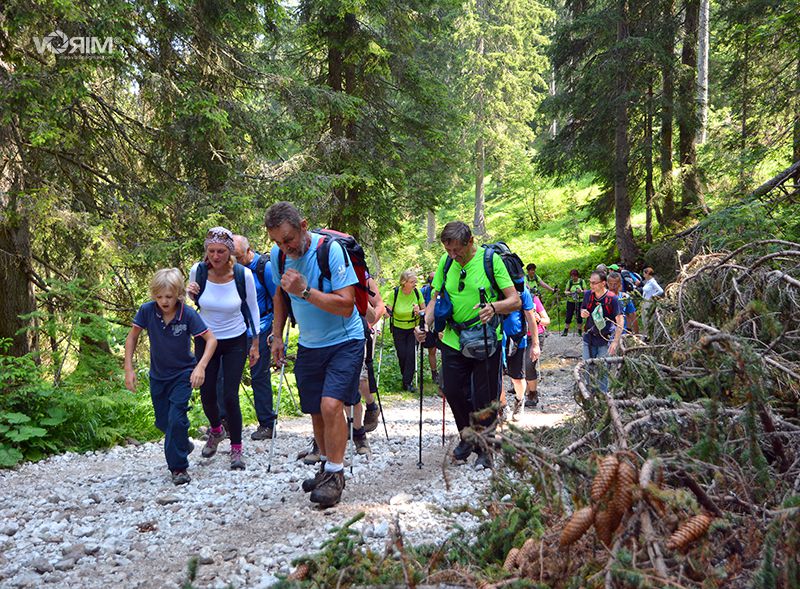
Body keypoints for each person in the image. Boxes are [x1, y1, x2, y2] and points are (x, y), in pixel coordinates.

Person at [266, 201, 364, 508]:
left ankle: (335, 474)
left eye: (289, 239)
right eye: (278, 242)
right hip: (309, 343)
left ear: (303, 225)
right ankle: (326, 465)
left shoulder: (331, 250)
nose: (286, 247)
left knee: (331, 404)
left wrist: (306, 291)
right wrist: (277, 336)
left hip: (345, 340)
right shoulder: (278, 256)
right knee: (316, 410)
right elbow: (280, 294)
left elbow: (346, 304)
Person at [415, 221, 520, 469]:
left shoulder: (490, 261)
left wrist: (493, 307)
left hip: (485, 338)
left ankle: (485, 448)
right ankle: (467, 436)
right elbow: (436, 296)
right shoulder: (447, 261)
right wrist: (426, 324)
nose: (453, 255)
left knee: (485, 397)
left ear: (470, 242)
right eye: (448, 250)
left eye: (457, 251)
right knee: (451, 389)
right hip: (453, 337)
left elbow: (514, 300)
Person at [124, 268, 217, 485]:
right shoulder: (147, 311)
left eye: (169, 297)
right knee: (163, 422)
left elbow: (211, 340)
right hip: (158, 375)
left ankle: (178, 469)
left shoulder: (188, 314)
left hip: (183, 374)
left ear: (178, 295)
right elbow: (132, 339)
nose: (164, 301)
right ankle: (182, 442)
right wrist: (128, 369)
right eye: (159, 297)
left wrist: (200, 367)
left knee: (176, 419)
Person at [187, 226, 260, 470]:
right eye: (211, 251)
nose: (215, 256)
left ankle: (236, 448)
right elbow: (193, 302)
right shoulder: (197, 271)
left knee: (230, 395)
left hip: (235, 339)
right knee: (206, 393)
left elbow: (253, 308)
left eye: (220, 251)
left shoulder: (242, 275)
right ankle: (216, 430)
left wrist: (256, 342)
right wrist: (190, 294)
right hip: (205, 338)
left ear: (229, 252)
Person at [230, 235, 278, 441]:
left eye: (238, 257)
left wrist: (276, 331)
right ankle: (225, 423)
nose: (236, 261)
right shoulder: (229, 270)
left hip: (262, 327)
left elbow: (277, 299)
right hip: (235, 328)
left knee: (259, 375)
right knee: (225, 375)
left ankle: (267, 424)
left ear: (248, 251)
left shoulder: (263, 267)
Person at [352, 274, 386, 455]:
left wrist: (370, 323)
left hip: (361, 332)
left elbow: (379, 304)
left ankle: (371, 406)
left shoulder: (363, 276)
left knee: (359, 378)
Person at [580, 271, 624, 394]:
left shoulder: (612, 299)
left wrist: (615, 342)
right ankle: (588, 397)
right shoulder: (588, 295)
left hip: (605, 340)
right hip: (589, 338)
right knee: (586, 369)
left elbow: (620, 320)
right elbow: (583, 309)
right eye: (590, 282)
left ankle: (603, 398)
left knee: (602, 370)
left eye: (594, 283)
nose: (591, 285)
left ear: (603, 283)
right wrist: (583, 313)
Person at [502, 281, 540, 420]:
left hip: (517, 339)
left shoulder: (521, 290)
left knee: (517, 377)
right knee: (497, 376)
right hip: (497, 339)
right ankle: (503, 406)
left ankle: (519, 400)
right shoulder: (492, 287)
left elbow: (530, 317)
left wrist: (535, 344)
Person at [386, 269, 423, 392]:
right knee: (402, 355)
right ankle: (405, 379)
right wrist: (386, 313)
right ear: (404, 282)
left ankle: (407, 383)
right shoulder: (395, 293)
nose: (415, 284)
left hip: (413, 328)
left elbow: (426, 310)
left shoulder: (417, 293)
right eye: (412, 282)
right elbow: (388, 310)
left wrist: (419, 311)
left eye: (415, 282)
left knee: (411, 354)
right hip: (398, 329)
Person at [524, 291, 551, 409]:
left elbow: (547, 321)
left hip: (536, 335)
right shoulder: (511, 299)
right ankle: (525, 392)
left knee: (529, 364)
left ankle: (532, 394)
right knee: (520, 366)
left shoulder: (533, 299)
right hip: (519, 336)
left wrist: (538, 319)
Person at [420, 271, 439, 383]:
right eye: (430, 279)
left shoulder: (442, 290)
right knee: (432, 349)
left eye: (433, 279)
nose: (432, 281)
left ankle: (443, 374)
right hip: (429, 323)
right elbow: (419, 306)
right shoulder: (424, 291)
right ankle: (434, 373)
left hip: (441, 323)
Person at [561, 269, 585, 337]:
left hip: (580, 301)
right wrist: (571, 293)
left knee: (579, 316)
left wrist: (581, 291)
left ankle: (580, 331)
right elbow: (565, 291)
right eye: (572, 276)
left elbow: (585, 291)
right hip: (571, 301)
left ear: (577, 276)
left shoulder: (581, 281)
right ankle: (566, 330)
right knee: (569, 316)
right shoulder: (570, 282)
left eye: (574, 276)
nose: (573, 278)